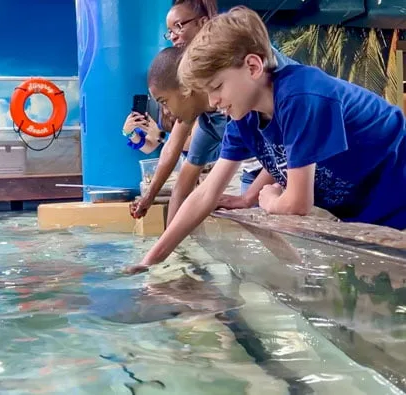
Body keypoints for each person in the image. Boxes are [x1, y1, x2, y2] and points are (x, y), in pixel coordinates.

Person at [125, 6, 406, 274]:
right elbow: (205, 193)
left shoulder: (301, 96)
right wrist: (150, 261)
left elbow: (297, 204)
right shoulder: (244, 118)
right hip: (368, 214)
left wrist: (268, 199)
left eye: (217, 87)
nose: (213, 101)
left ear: (252, 66)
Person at [130, 0, 296, 223]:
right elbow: (178, 155)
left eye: (179, 26)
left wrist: (250, 197)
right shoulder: (211, 111)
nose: (173, 36)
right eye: (169, 31)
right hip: (261, 165)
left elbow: (287, 140)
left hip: (292, 158)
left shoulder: (248, 63)